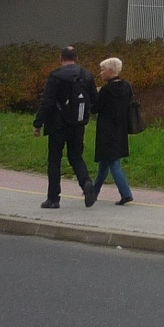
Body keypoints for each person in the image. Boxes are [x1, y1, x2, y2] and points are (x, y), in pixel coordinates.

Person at [31, 46, 97, 209]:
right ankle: (86, 183)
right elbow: (94, 100)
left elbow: (47, 102)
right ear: (77, 58)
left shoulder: (55, 76)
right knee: (76, 157)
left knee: (54, 160)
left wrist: (38, 123)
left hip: (57, 124)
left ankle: (53, 199)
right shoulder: (86, 75)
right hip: (78, 124)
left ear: (60, 58)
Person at [91, 57, 135, 205]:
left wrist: (96, 95)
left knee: (113, 162)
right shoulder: (127, 86)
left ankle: (126, 193)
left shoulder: (106, 90)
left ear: (110, 71)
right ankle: (93, 192)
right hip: (121, 128)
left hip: (106, 129)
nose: (100, 73)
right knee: (105, 162)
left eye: (102, 70)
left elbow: (95, 108)